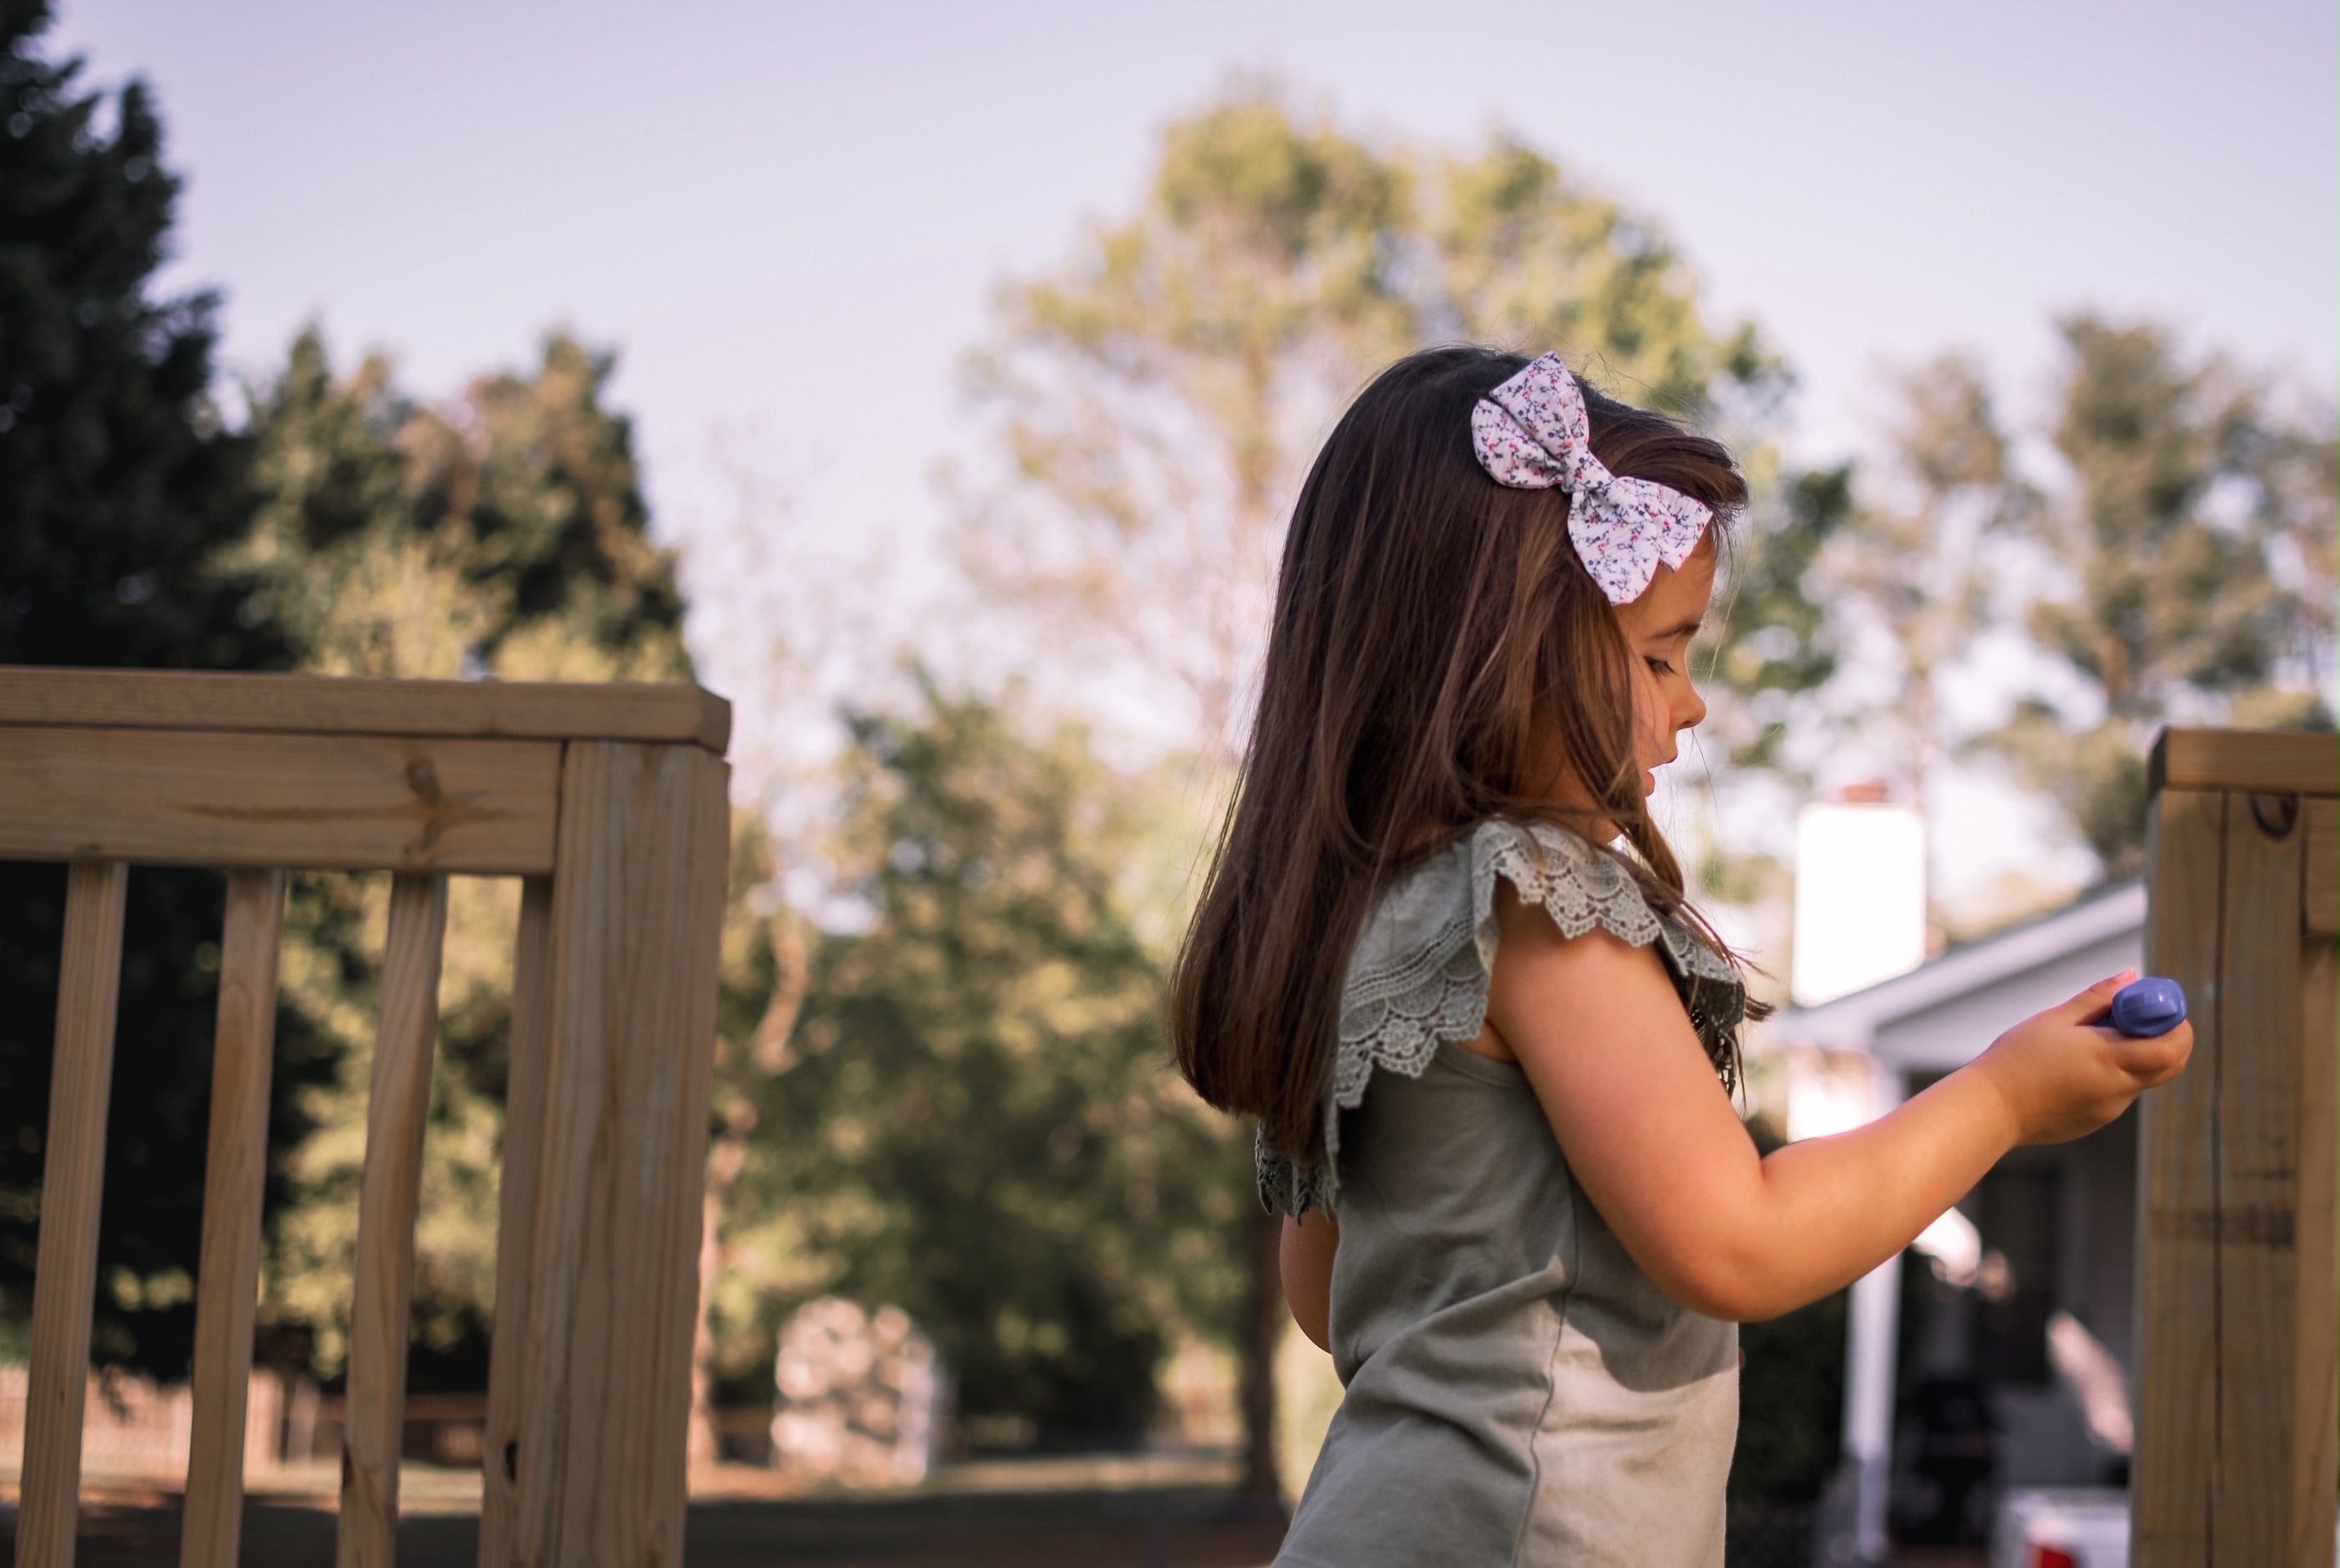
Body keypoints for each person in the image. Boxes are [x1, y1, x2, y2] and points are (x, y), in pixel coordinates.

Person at [1167, 346, 2192, 1565]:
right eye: (1659, 654)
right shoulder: (1541, 905)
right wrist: (2005, 1096)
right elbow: (1739, 1239)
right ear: (1493, 650)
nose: (1690, 702)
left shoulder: (1368, 924)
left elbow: (1331, 1303)